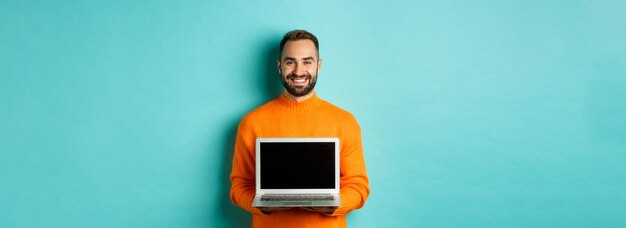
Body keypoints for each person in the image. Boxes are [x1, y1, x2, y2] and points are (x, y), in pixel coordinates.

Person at [229, 29, 370, 228]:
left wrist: (332, 205)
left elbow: (359, 186)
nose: (298, 71)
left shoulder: (344, 121)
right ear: (279, 66)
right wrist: (261, 205)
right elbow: (238, 187)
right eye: (290, 62)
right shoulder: (252, 122)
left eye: (307, 61)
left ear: (318, 66)